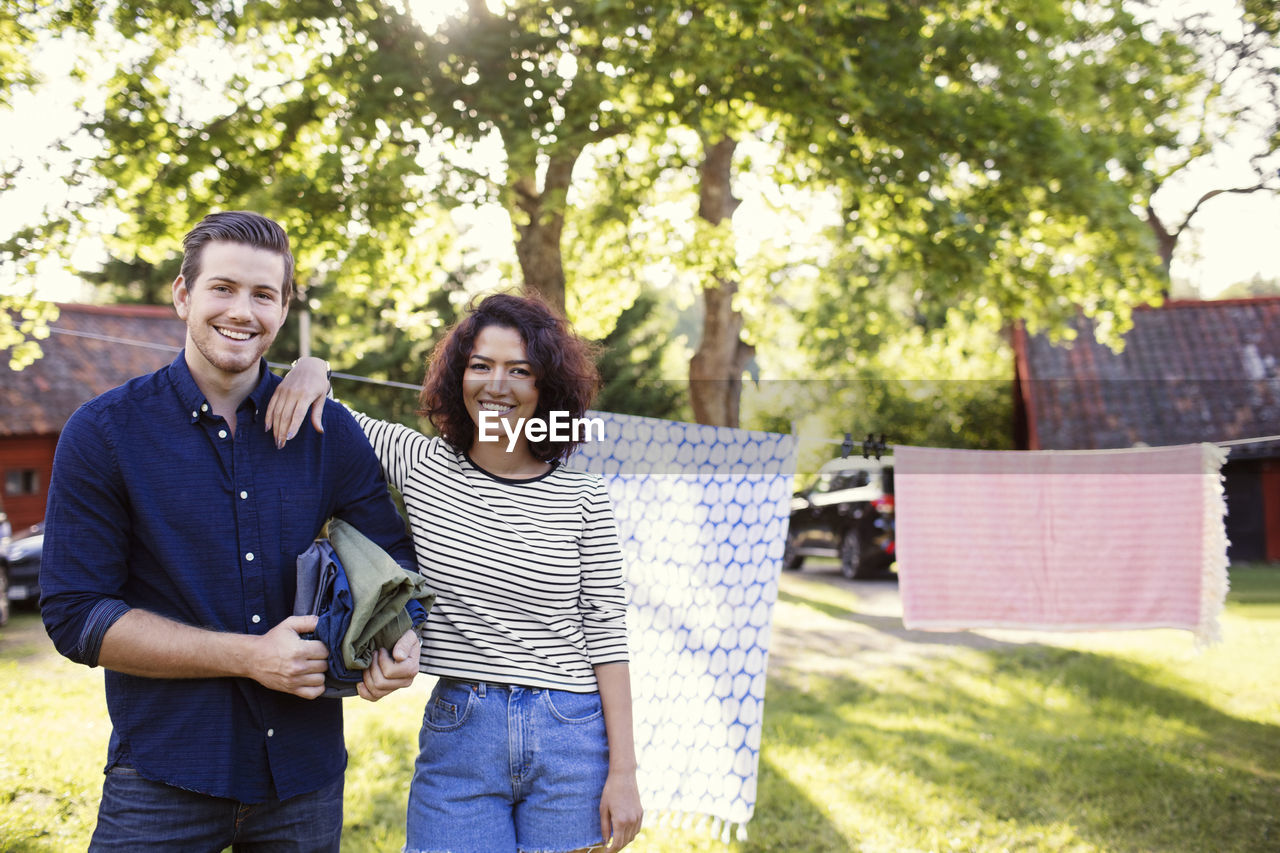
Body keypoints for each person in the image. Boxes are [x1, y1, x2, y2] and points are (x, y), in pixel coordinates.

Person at [40, 210, 424, 852]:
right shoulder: (105, 433)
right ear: (183, 295)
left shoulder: (330, 434)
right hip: (163, 778)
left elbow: (391, 568)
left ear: (283, 309)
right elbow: (76, 616)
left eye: (263, 294)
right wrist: (250, 657)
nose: (242, 311)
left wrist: (399, 642)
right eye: (223, 288)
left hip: (304, 779)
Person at [268, 292, 643, 853]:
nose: (497, 384)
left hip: (571, 732)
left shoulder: (584, 494)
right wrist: (310, 366)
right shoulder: (419, 464)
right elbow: (332, 410)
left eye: (520, 370)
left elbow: (607, 634)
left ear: (547, 386)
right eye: (480, 366)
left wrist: (624, 772)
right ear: (457, 376)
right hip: (461, 728)